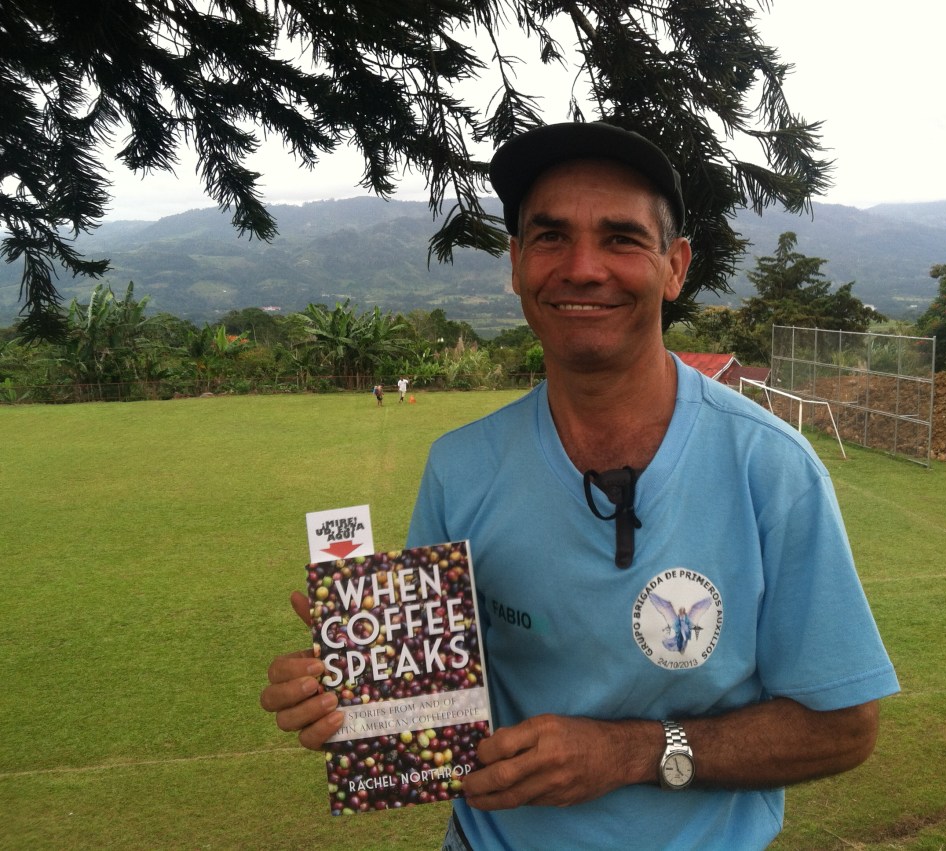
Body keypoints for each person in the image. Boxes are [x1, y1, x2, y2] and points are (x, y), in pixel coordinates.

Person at [261, 122, 899, 850]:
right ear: (517, 262)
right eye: (551, 236)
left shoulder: (772, 468)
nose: (583, 267)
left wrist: (629, 752)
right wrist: (351, 695)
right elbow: (427, 705)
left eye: (622, 238)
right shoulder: (461, 467)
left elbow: (846, 725)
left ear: (675, 266)